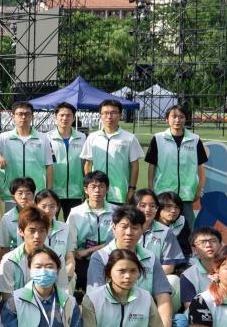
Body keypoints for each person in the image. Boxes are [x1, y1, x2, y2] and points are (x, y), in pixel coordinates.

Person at [86, 206, 178, 327]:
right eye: (124, 227)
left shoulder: (150, 257)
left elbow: (162, 294)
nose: (129, 232)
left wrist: (165, 323)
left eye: (135, 228)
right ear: (114, 228)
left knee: (181, 323)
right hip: (112, 319)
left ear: (142, 230)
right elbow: (96, 299)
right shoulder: (100, 256)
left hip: (144, 315)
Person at [145, 104, 207, 237]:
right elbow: (152, 166)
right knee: (160, 229)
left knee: (188, 230)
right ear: (167, 119)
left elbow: (200, 167)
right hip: (163, 193)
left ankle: (187, 250)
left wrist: (199, 188)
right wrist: (151, 188)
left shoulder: (195, 140)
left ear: (186, 119)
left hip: (186, 194)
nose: (177, 120)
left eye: (181, 117)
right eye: (174, 117)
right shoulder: (158, 138)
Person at [0, 207, 71, 300]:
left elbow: (62, 292)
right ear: (21, 231)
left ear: (47, 231)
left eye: (41, 230)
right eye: (32, 230)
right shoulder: (9, 260)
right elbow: (7, 299)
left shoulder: (57, 258)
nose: (37, 236)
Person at [0, 101, 54, 201]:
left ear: (32, 117)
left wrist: (48, 191)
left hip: (36, 193)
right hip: (11, 193)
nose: (23, 117)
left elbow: (49, 166)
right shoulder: (5, 137)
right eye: (20, 114)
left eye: (27, 114)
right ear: (13, 116)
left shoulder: (43, 138)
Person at [80, 98, 143, 205]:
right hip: (97, 192)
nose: (109, 116)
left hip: (120, 192)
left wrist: (131, 189)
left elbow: (134, 165)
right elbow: (88, 164)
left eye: (113, 113)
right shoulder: (92, 137)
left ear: (120, 115)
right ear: (100, 115)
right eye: (105, 113)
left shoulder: (129, 138)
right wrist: (89, 186)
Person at [68, 170, 114, 292]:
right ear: (86, 190)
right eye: (93, 186)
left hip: (109, 257)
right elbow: (71, 245)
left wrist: (89, 250)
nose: (97, 190)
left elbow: (117, 242)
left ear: (107, 189)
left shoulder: (116, 212)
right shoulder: (75, 213)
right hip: (82, 260)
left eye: (101, 186)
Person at [131, 188, 184, 282]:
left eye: (152, 206)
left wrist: (147, 277)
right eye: (143, 205)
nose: (148, 209)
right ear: (133, 207)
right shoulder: (124, 228)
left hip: (154, 277)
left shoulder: (166, 232)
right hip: (127, 276)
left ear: (157, 209)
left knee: (173, 280)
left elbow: (168, 266)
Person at [48, 101, 86, 218]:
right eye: (62, 115)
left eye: (69, 115)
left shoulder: (82, 137)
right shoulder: (47, 138)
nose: (65, 118)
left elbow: (85, 163)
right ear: (55, 118)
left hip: (75, 191)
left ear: (74, 118)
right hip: (53, 191)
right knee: (49, 223)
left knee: (73, 225)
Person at [179, 226, 222, 310]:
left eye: (213, 241)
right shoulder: (188, 276)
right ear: (194, 250)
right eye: (202, 242)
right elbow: (190, 308)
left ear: (221, 245)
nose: (208, 245)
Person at [0, 176, 38, 250]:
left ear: (33, 195)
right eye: (20, 193)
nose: (24, 197)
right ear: (13, 197)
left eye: (28, 193)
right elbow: (4, 247)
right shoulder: (7, 218)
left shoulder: (41, 215)